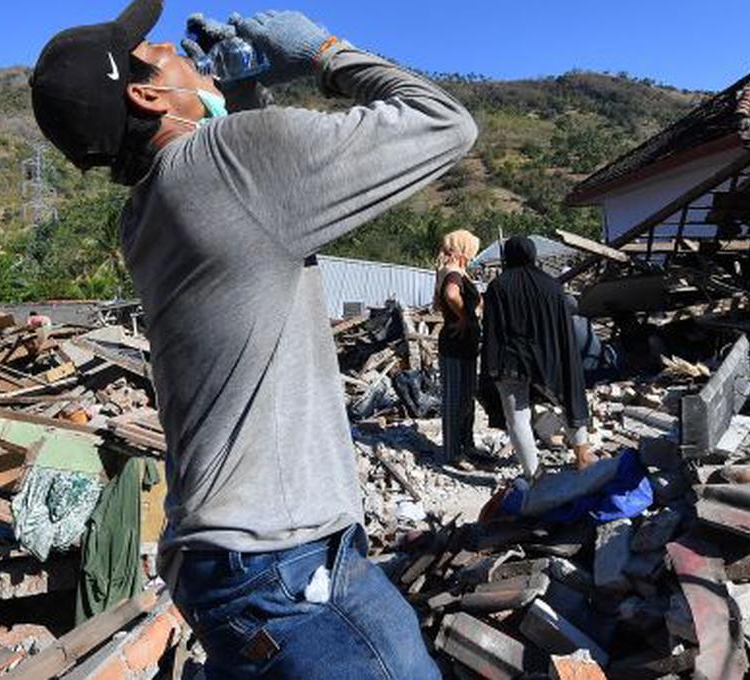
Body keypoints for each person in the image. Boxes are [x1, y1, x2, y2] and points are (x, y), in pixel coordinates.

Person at [30, 2, 475, 678]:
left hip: (222, 568)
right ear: (148, 95)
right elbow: (445, 125)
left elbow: (250, 217)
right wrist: (321, 52)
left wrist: (237, 94)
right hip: (289, 571)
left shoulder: (146, 214)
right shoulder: (227, 163)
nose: (183, 53)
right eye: (162, 55)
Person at [481, 235, 597, 477]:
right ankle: (582, 456)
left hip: (510, 362)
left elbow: (492, 329)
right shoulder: (551, 286)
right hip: (549, 359)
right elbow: (562, 328)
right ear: (533, 254)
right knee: (567, 402)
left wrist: (491, 366)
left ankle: (533, 473)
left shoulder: (498, 286)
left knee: (517, 417)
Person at [433, 229, 481, 467]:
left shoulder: (458, 271)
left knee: (466, 396)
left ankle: (466, 444)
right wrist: (463, 317)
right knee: (455, 399)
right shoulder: (452, 272)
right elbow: (452, 295)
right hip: (455, 343)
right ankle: (453, 451)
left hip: (465, 344)